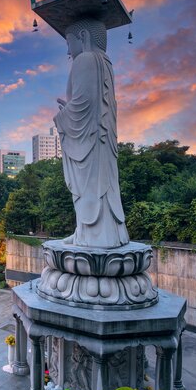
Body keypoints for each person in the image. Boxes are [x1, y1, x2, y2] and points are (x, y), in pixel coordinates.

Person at [54, 18, 129, 248]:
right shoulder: (106, 62)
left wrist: (62, 116)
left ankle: (91, 235)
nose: (68, 50)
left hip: (89, 139)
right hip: (103, 141)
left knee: (89, 186)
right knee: (100, 187)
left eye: (69, 42)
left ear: (83, 36)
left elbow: (82, 106)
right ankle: (98, 234)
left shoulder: (85, 59)